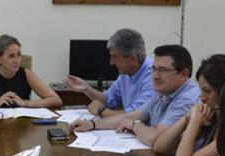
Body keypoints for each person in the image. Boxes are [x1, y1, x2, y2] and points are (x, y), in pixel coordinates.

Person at [70, 45, 200, 147]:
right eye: (154, 69)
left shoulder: (187, 98)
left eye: (163, 70)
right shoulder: (163, 91)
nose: (155, 76)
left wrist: (134, 125)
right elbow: (131, 116)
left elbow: (155, 139)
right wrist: (92, 124)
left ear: (184, 74)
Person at [153, 54, 225, 156]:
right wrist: (187, 117)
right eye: (200, 90)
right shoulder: (211, 116)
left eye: (207, 91)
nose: (202, 98)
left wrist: (194, 121)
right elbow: (160, 147)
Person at [64, 28, 154, 117]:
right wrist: (87, 89)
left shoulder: (154, 77)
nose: (111, 62)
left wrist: (101, 111)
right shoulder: (126, 74)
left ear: (133, 59)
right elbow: (109, 100)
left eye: (115, 56)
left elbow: (134, 116)